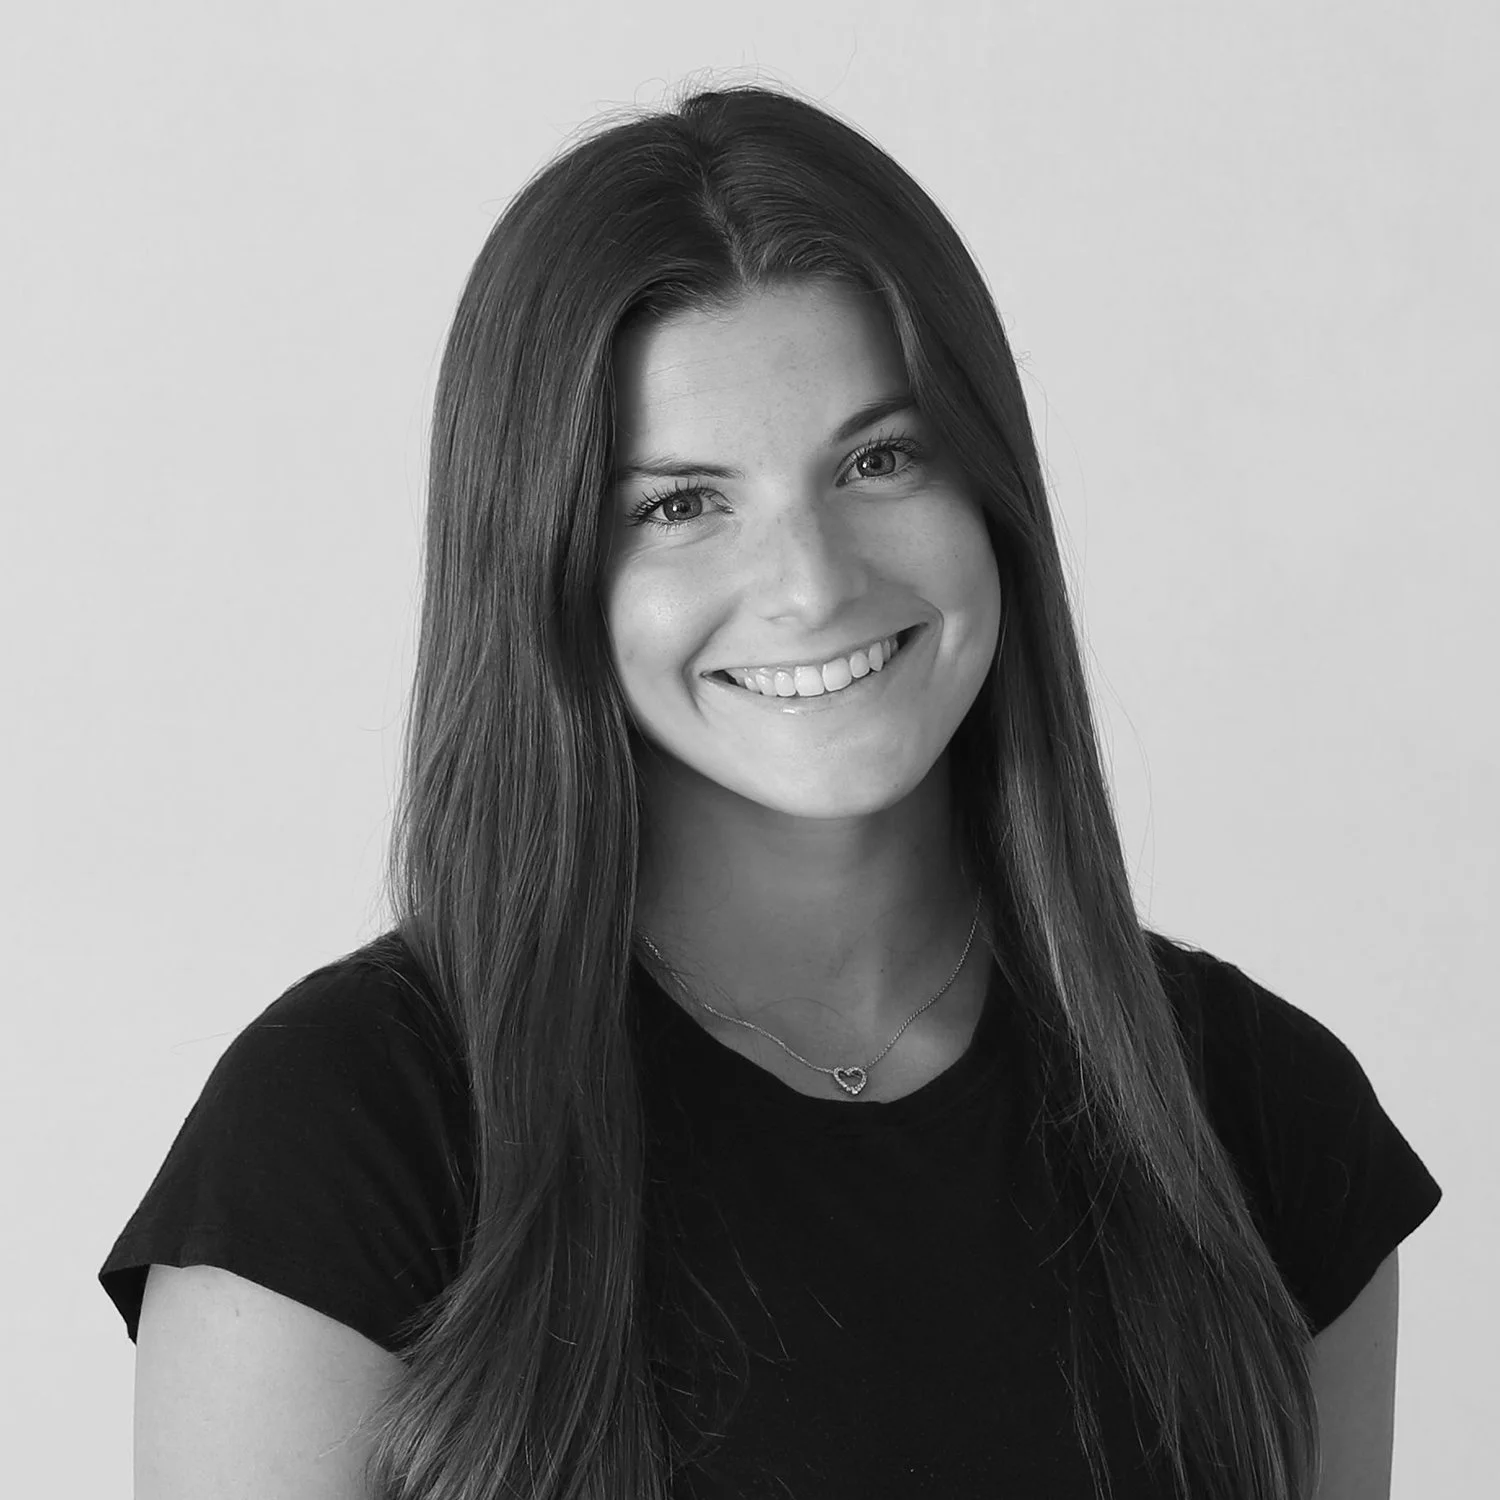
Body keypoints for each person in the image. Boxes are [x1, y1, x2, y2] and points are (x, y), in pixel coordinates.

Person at [99, 80, 1442, 1500]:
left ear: (991, 493)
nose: (811, 583)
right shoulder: (348, 1137)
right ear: (546, 571)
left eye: (880, 459)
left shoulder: (1267, 1120)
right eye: (682, 504)